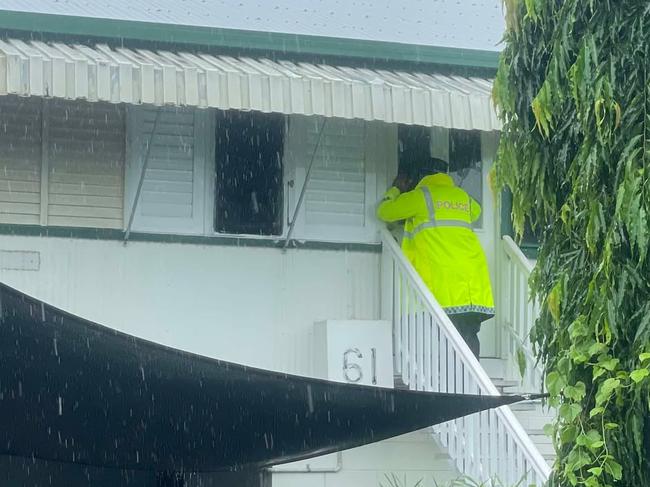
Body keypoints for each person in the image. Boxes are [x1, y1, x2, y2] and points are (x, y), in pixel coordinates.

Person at [377, 158, 494, 358]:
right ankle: (470, 385)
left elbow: (384, 212)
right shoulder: (461, 197)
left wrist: (396, 190)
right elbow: (477, 211)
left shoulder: (420, 197)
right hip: (472, 282)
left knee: (444, 342)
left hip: (445, 285)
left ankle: (450, 386)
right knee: (468, 336)